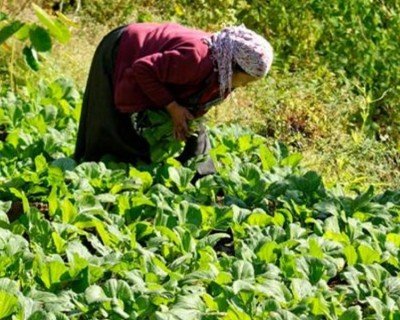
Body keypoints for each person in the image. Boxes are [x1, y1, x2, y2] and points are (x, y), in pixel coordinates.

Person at [74, 22, 273, 176]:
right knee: (109, 122)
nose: (244, 87)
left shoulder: (222, 70)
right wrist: (173, 107)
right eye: (246, 81)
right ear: (234, 65)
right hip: (122, 49)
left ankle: (202, 178)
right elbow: (143, 69)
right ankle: (99, 165)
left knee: (194, 133)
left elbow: (198, 101)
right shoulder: (196, 59)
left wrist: (186, 117)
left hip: (159, 68)